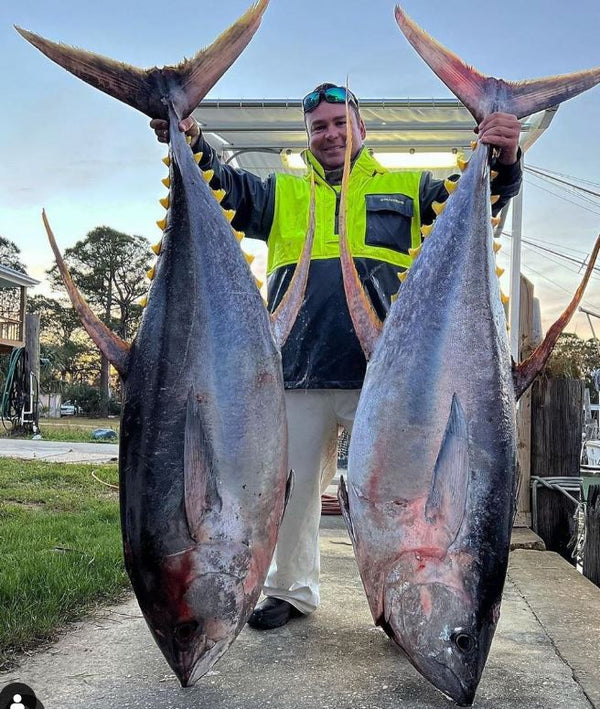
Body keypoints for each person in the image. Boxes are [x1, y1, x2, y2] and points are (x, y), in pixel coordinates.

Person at [150, 84, 522, 630]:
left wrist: (504, 157)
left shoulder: (408, 188)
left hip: (387, 381)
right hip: (298, 368)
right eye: (319, 126)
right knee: (293, 490)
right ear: (307, 137)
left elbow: (477, 202)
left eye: (339, 122)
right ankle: (292, 591)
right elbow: (220, 189)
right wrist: (191, 138)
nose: (330, 134)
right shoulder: (283, 194)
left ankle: (405, 598)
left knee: (404, 497)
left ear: (362, 127)